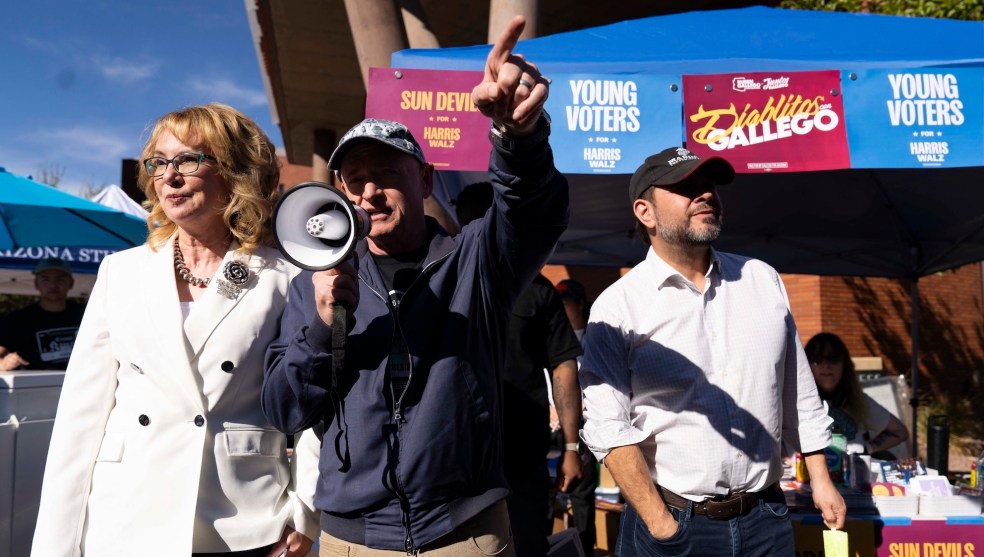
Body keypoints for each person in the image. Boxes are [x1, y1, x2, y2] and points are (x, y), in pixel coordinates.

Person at [261, 15, 568, 556]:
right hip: (351, 538)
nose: (372, 193)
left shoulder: (474, 259)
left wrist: (517, 138)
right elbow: (285, 411)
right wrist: (321, 329)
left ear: (424, 180)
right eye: (357, 181)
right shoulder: (315, 284)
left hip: (465, 530)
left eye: (388, 174)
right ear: (341, 192)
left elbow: (533, 211)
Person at [31, 103, 318, 557]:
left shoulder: (286, 276)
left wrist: (305, 513)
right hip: (125, 516)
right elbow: (80, 421)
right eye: (159, 162)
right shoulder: (120, 272)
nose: (170, 176)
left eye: (188, 159)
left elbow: (313, 410)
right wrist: (56, 545)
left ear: (235, 172)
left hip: (246, 524)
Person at [579, 146, 846, 556]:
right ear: (644, 212)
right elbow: (607, 429)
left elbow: (798, 391)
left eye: (709, 187)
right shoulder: (618, 307)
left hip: (766, 518)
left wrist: (821, 479)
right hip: (674, 521)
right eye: (687, 188)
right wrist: (660, 523)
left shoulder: (761, 279)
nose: (705, 195)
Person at [455, 181, 583, 557]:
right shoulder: (440, 280)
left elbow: (563, 365)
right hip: (458, 460)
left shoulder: (539, 289)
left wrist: (572, 447)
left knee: (525, 545)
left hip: (519, 459)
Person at [805, 332, 909, 458]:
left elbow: (900, 432)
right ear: (806, 365)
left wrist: (868, 448)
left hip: (853, 474)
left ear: (845, 364)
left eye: (833, 358)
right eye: (817, 359)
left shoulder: (858, 402)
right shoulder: (797, 404)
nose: (826, 365)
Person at [554, 278, 599, 556]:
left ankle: (585, 550)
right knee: (546, 497)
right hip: (549, 427)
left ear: (580, 304)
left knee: (582, 497)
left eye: (566, 304)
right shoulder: (550, 334)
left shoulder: (595, 338)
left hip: (583, 427)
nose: (561, 310)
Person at [0, 257, 85, 371]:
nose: (52, 285)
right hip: (36, 387)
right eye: (45, 279)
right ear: (36, 283)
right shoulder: (18, 320)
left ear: (71, 283)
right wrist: (3, 364)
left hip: (83, 386)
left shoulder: (87, 315)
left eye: (60, 279)